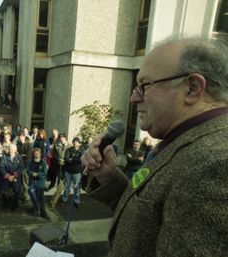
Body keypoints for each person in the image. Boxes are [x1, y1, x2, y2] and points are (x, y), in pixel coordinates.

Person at [81, 38, 228, 257]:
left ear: (192, 88)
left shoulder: (216, 163)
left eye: (145, 85)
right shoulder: (187, 140)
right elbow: (149, 219)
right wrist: (109, 178)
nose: (133, 97)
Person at [0, 144, 24, 210]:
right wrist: (8, 176)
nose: (10, 150)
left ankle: (14, 206)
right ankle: (5, 205)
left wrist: (14, 176)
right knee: (5, 192)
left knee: (16, 192)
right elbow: (1, 167)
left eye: (12, 149)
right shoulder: (4, 157)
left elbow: (21, 168)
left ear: (15, 150)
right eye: (9, 149)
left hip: (15, 178)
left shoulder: (19, 157)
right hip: (6, 178)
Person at [27, 148, 49, 219]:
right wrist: (32, 173)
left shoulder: (43, 163)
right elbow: (28, 170)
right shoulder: (30, 162)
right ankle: (35, 207)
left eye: (37, 153)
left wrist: (37, 174)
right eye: (35, 153)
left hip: (40, 182)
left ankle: (43, 213)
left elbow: (44, 173)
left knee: (41, 198)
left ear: (40, 154)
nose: (36, 155)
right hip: (32, 181)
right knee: (31, 192)